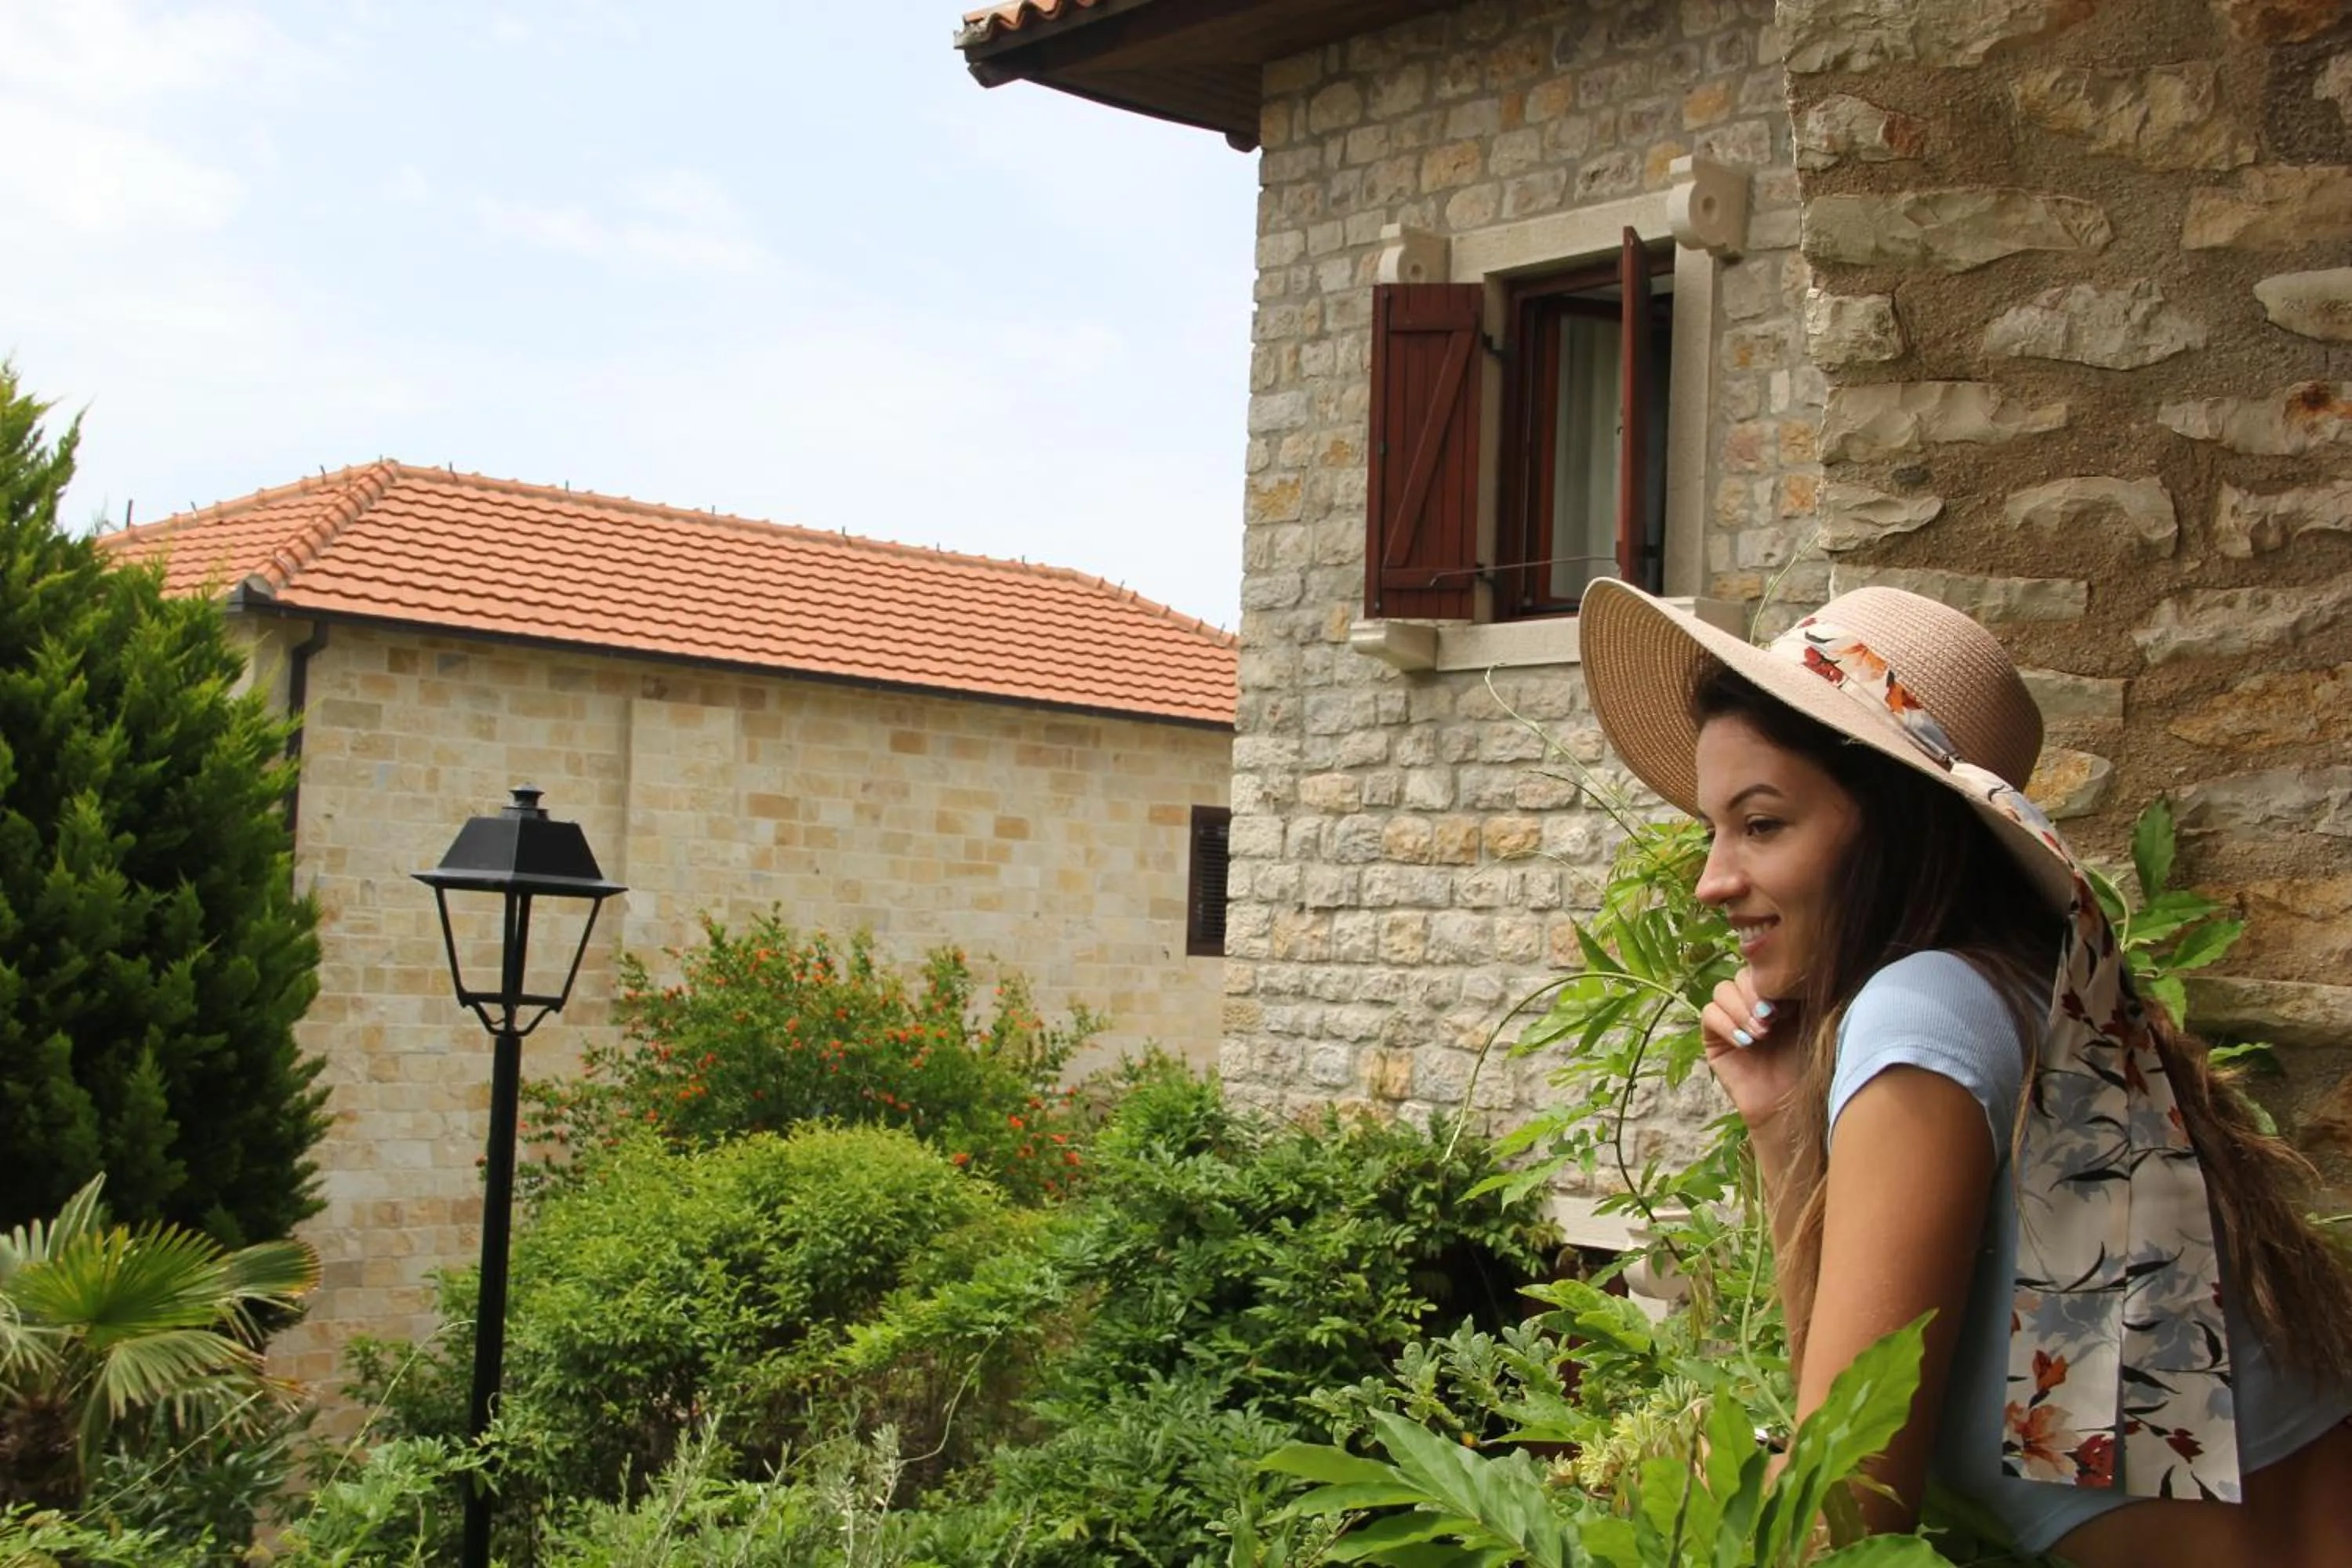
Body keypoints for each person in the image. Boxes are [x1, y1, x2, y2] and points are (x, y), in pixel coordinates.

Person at [1576, 579, 2352, 1565]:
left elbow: (1843, 1508)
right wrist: (1779, 1121)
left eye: (1762, 823)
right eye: (1713, 829)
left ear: (1893, 826)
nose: (1711, 879)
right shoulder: (2042, 999)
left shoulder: (1924, 1010)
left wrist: (1640, 1485)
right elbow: (1861, 1399)